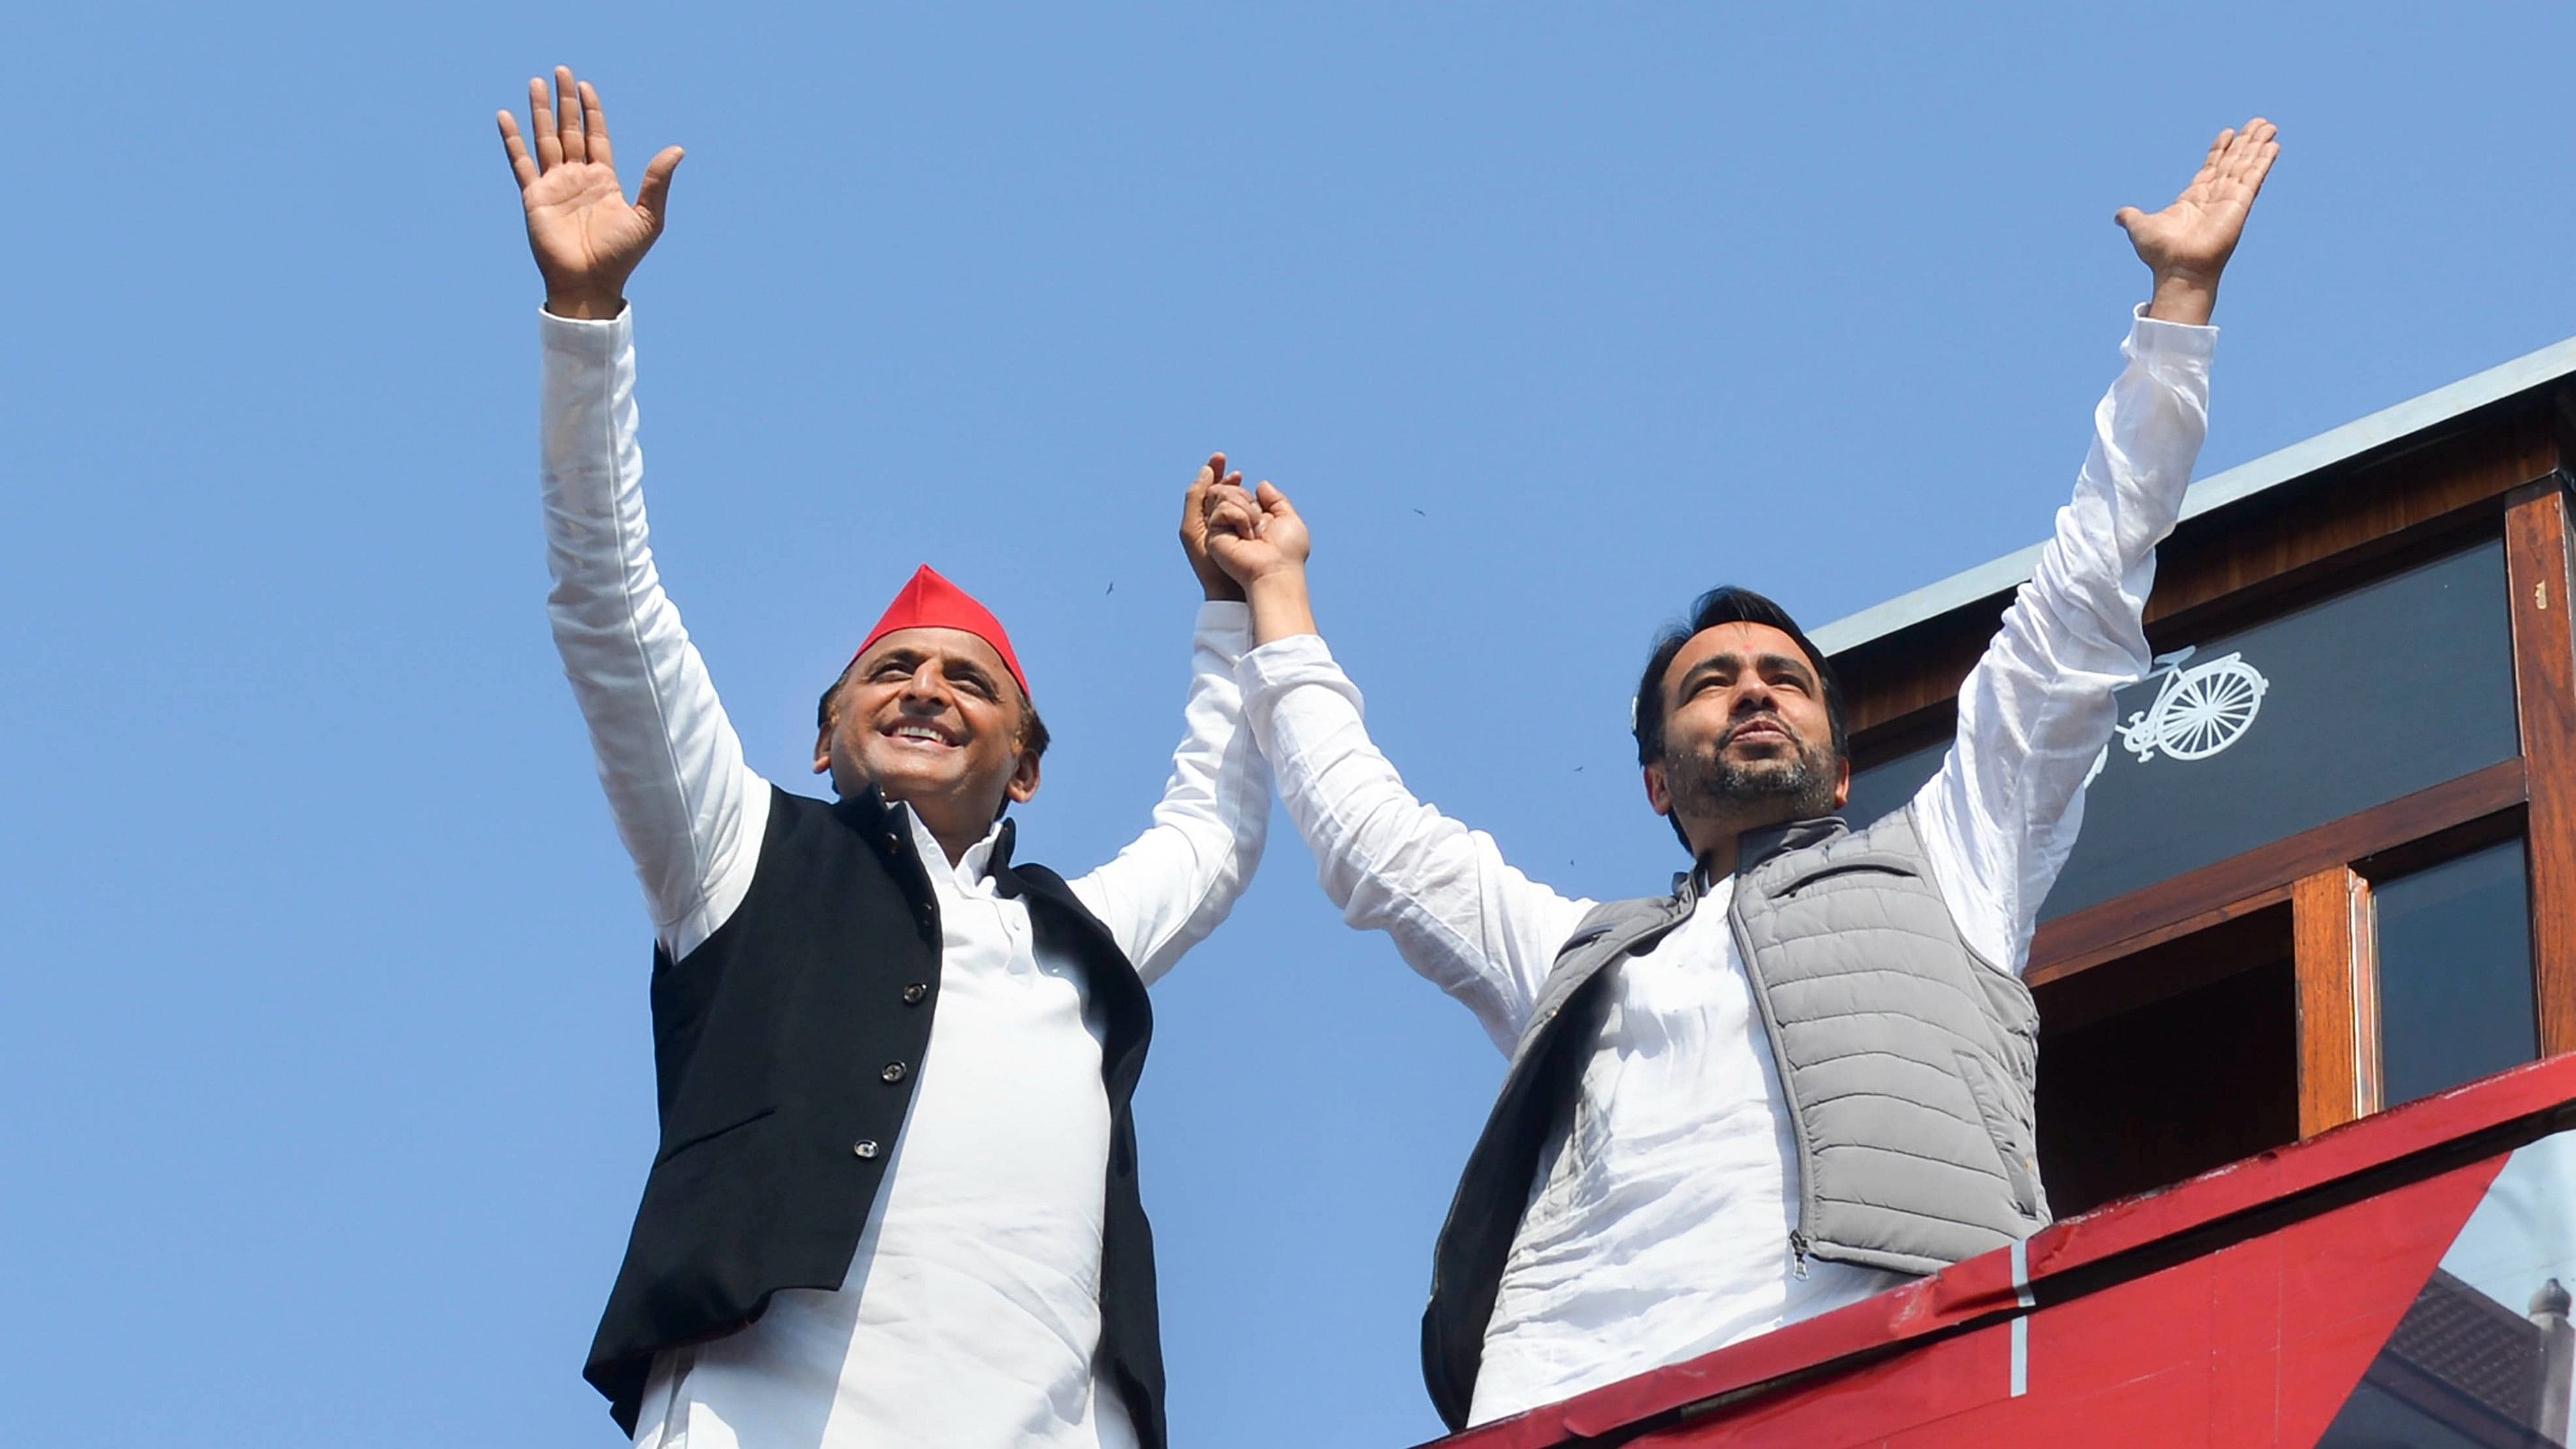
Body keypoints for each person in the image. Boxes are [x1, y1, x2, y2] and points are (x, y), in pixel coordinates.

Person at [1203, 120, 2279, 1429]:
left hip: (1881, 1374)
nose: (1754, 690)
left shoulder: (1952, 856)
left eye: (1782, 677)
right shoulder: (1583, 958)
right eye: (1710, 684)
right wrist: (1277, 598)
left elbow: (2077, 610)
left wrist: (2175, 311)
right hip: (1572, 1391)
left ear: (1841, 747)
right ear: (1658, 777)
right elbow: (1375, 843)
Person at [498, 66, 1270, 1448]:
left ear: (1025, 766)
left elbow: (1213, 831)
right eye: (889, 673)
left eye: (967, 681)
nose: (923, 689)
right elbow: (608, 609)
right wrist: (587, 321)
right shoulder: (737, 856)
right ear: (823, 737)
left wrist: (1232, 610)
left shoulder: (1075, 938)